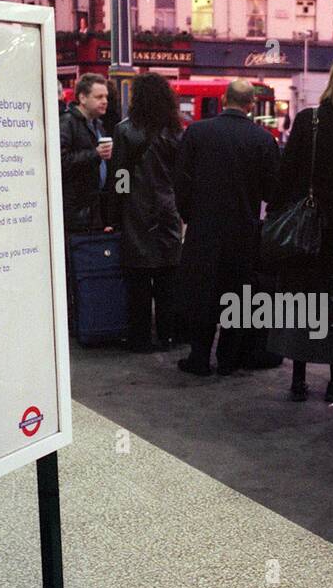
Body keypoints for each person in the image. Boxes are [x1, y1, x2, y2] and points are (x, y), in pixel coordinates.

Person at [267, 53, 333, 402]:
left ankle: (298, 379)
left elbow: (287, 174)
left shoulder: (309, 120)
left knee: (302, 300)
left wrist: (278, 214)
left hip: (307, 228)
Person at [173, 79, 281, 376]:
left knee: (202, 294)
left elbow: (181, 181)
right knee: (235, 296)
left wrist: (189, 215)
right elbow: (272, 191)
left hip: (204, 228)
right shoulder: (262, 140)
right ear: (250, 105)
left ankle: (198, 358)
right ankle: (228, 359)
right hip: (243, 231)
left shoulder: (197, 132)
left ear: (223, 99)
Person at [106, 72, 184, 353]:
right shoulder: (176, 131)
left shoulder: (125, 130)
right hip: (167, 208)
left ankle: (140, 337)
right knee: (167, 276)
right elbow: (180, 175)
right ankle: (167, 334)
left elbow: (121, 174)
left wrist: (117, 209)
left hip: (136, 209)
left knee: (138, 279)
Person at [58, 73, 113, 235]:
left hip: (94, 209)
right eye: (99, 97)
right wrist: (95, 154)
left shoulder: (98, 125)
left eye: (106, 97)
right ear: (82, 98)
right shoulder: (67, 123)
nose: (105, 101)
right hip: (76, 212)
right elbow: (60, 162)